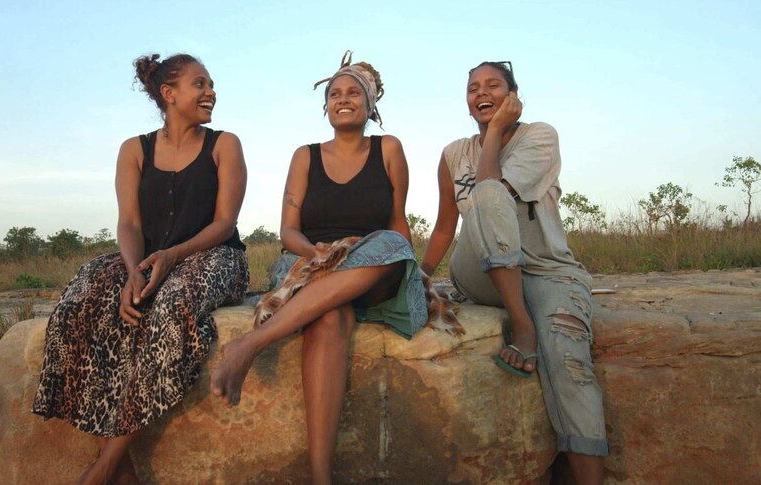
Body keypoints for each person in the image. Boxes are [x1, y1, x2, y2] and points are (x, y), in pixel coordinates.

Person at [32, 53, 249, 485]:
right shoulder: (134, 150)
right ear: (169, 94)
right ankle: (124, 471)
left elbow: (225, 221)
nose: (211, 93)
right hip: (147, 258)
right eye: (200, 84)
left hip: (214, 256)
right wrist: (133, 271)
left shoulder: (224, 144)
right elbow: (128, 222)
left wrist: (173, 257)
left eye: (211, 85)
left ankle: (107, 464)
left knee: (170, 305)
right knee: (84, 299)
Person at [211, 51, 427, 485]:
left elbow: (397, 222)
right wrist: (316, 254)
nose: (342, 99)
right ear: (325, 105)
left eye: (353, 93)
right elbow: (288, 231)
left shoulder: (389, 148)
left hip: (369, 263)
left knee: (390, 244)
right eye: (334, 94)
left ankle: (252, 343)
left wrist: (411, 270)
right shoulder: (305, 155)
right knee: (329, 318)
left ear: (370, 104)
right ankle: (321, 477)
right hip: (311, 262)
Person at [419, 61, 607, 484]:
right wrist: (423, 272)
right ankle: (522, 325)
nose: (481, 93)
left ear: (513, 95)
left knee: (568, 361)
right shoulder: (453, 154)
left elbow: (495, 189)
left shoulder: (539, 136)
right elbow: (447, 224)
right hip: (480, 271)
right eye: (473, 88)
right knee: (483, 196)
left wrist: (499, 130)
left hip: (547, 271)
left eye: (493, 86)